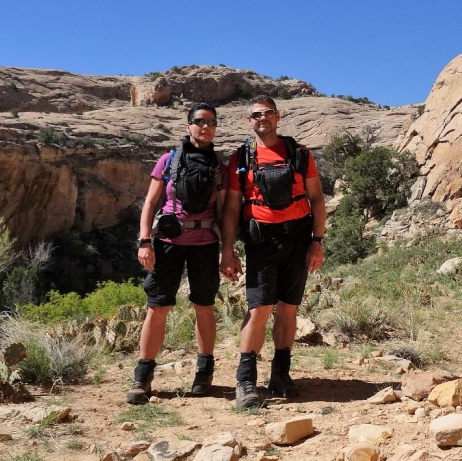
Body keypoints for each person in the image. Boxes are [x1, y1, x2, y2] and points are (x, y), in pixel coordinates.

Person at [220, 95, 326, 408]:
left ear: (277, 117)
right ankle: (246, 381)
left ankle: (280, 374)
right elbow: (231, 208)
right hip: (260, 240)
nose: (262, 119)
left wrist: (317, 241)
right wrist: (227, 249)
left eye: (268, 113)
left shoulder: (300, 154)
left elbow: (317, 199)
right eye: (256, 115)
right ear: (248, 121)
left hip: (297, 237)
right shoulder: (241, 158)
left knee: (288, 307)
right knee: (260, 307)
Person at [128, 103, 223, 405]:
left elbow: (225, 211)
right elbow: (150, 203)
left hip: (206, 243)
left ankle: (204, 372)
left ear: (215, 128)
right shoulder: (168, 160)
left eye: (210, 122)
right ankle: (142, 378)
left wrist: (229, 250)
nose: (204, 127)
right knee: (157, 306)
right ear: (188, 126)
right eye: (199, 122)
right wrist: (144, 241)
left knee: (204, 305)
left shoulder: (220, 166)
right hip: (168, 241)